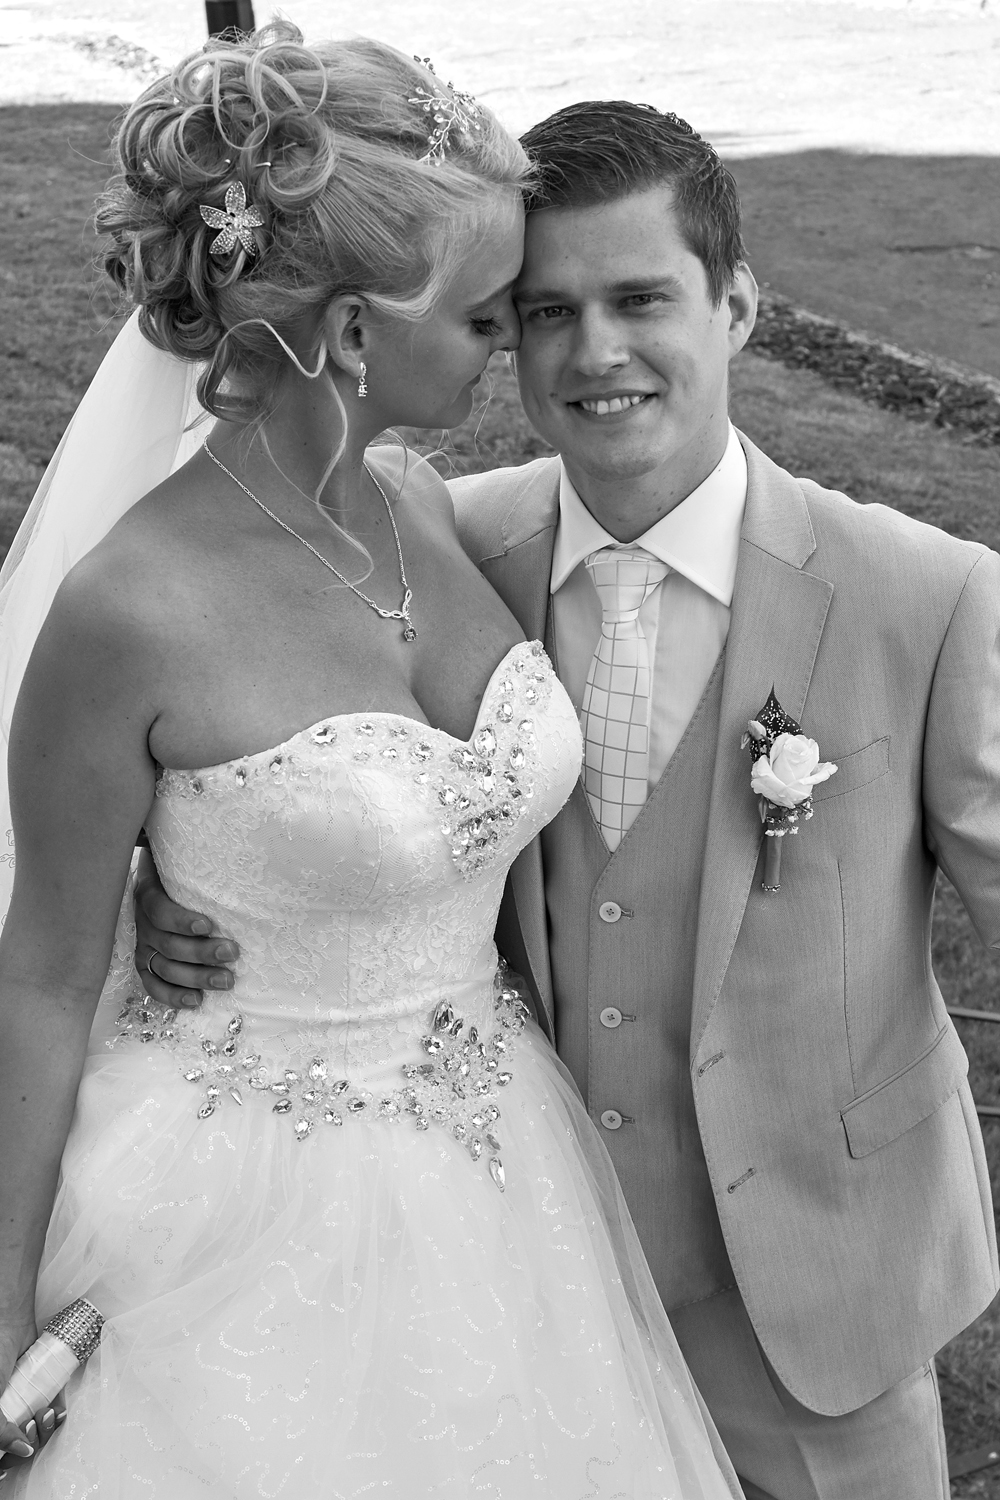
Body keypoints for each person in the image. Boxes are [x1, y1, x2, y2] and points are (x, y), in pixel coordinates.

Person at [140, 101, 1000, 1500]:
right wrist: (177, 874)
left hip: (821, 1313)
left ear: (737, 307)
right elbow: (272, 745)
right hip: (522, 1291)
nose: (595, 352)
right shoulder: (437, 544)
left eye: (641, 299)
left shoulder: (928, 596)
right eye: (546, 311)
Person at [0, 31, 744, 1499]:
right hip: (240, 1219)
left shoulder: (420, 505)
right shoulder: (130, 611)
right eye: (485, 314)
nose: (514, 344)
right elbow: (38, 977)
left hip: (507, 1179)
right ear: (352, 334)